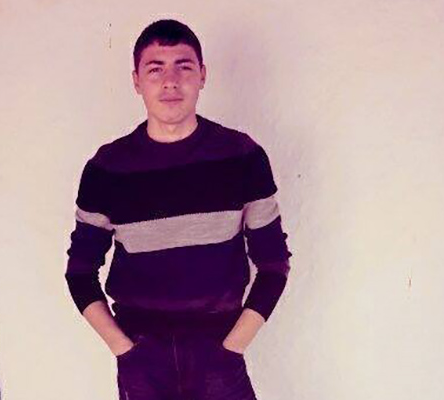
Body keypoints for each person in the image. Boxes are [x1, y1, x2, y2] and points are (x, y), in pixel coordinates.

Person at [65, 19, 292, 400]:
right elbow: (79, 272)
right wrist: (125, 350)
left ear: (202, 75)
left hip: (219, 349)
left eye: (183, 67)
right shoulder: (107, 169)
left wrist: (232, 348)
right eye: (155, 69)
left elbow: (274, 264)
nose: (170, 82)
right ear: (136, 81)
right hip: (142, 356)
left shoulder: (242, 157)